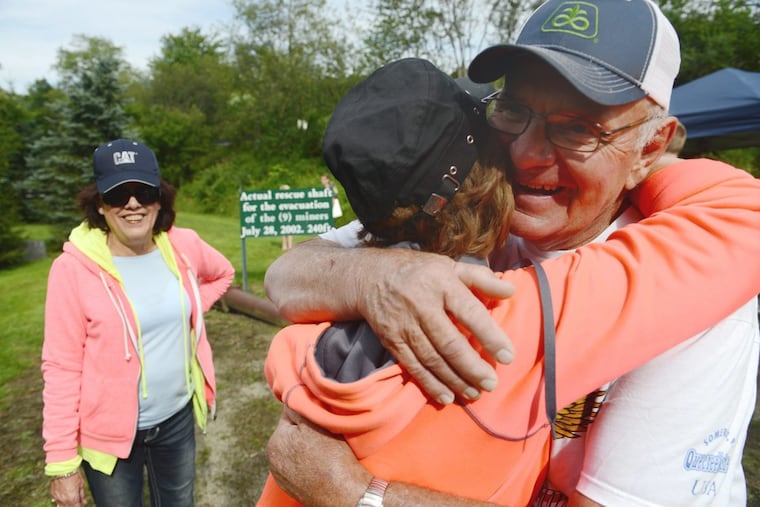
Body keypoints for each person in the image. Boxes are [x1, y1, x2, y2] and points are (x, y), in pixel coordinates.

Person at [263, 0, 760, 506]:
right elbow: (287, 274)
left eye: (577, 129)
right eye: (514, 110)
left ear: (651, 149)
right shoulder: (476, 205)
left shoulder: (698, 297)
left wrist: (355, 493)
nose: (524, 153)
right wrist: (379, 277)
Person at [41, 138, 235, 507]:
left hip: (176, 422)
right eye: (118, 195)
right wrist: (63, 466)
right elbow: (61, 368)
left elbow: (222, 274)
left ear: (159, 198)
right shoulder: (71, 270)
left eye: (143, 192)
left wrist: (190, 311)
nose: (133, 204)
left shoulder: (182, 244)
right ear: (99, 204)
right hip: (108, 438)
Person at [279, 184, 295, 250]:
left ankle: (285, 246)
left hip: (282, 216)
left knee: (283, 230)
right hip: (287, 216)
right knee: (289, 230)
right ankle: (289, 245)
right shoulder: (289, 198)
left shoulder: (279, 198)